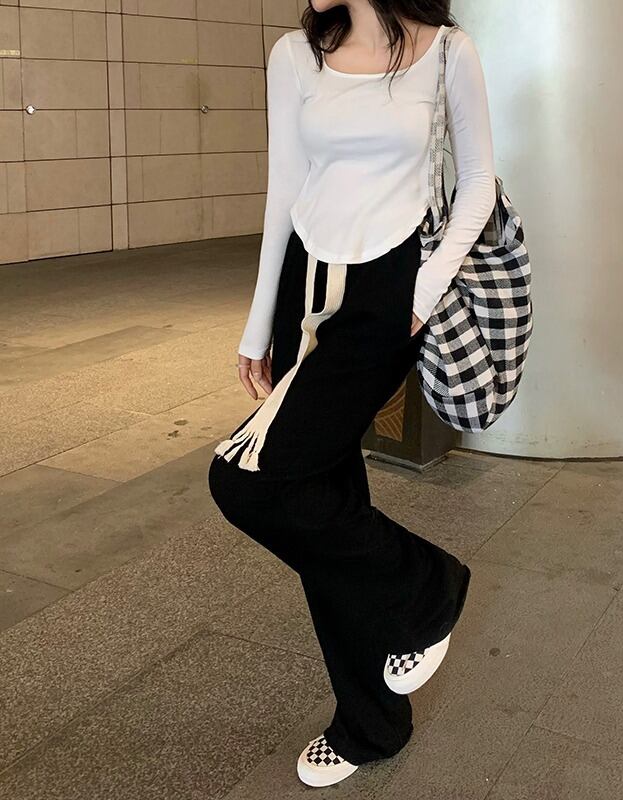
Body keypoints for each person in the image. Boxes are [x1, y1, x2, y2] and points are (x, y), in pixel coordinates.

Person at [207, 0, 495, 788]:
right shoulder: (294, 55)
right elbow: (284, 188)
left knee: (248, 482)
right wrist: (257, 325)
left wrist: (420, 297)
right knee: (323, 505)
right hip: (304, 293)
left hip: (384, 301)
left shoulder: (449, 51)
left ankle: (428, 589)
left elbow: (479, 183)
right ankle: (372, 722)